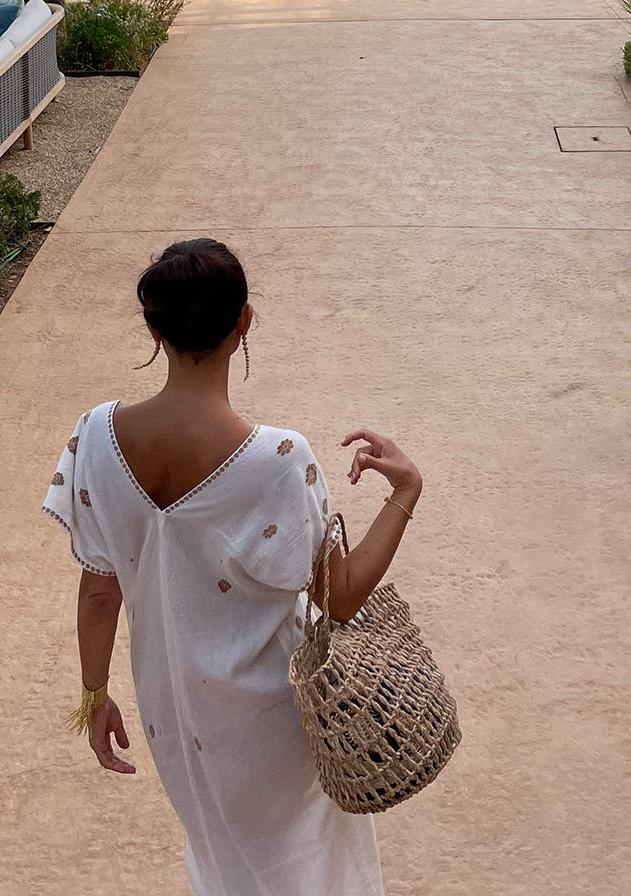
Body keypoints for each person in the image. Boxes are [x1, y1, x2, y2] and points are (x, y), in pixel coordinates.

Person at [43, 238, 423, 896]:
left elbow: (99, 590)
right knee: (309, 869)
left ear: (152, 328)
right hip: (277, 718)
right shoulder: (279, 459)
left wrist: (94, 695)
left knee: (221, 861)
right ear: (243, 321)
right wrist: (405, 495)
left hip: (175, 715)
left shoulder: (95, 439)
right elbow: (341, 599)